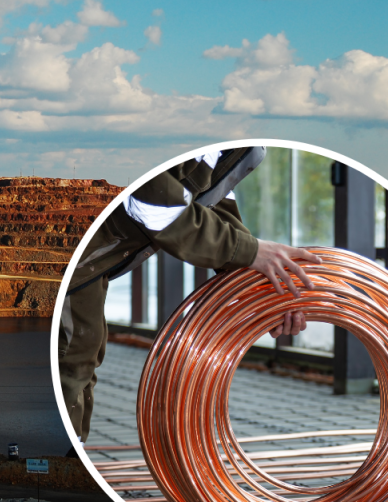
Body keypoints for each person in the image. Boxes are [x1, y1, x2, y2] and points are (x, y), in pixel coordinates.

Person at [58, 146, 323, 455]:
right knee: (72, 357)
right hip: (75, 256)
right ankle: (56, 466)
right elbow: (153, 205)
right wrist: (251, 252)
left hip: (92, 259)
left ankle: (65, 463)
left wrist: (268, 298)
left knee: (78, 355)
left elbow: (210, 201)